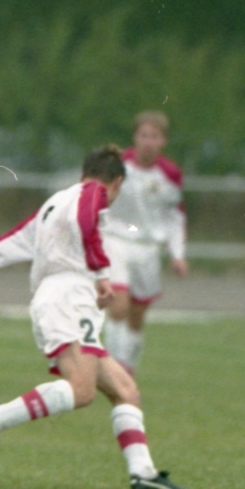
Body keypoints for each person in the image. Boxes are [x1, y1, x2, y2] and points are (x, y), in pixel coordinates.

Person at [0, 146, 187, 489]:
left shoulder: (52, 206)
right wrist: (102, 273)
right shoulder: (93, 194)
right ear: (117, 183)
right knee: (82, 390)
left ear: (82, 173)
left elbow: (3, 246)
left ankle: (143, 472)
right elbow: (88, 221)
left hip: (63, 298)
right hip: (68, 298)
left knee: (125, 390)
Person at [101, 111, 188, 373]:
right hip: (116, 239)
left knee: (137, 314)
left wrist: (177, 254)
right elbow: (99, 199)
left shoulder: (170, 174)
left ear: (163, 141)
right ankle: (113, 366)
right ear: (135, 137)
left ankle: (129, 364)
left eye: (154, 136)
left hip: (148, 248)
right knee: (118, 305)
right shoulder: (119, 166)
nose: (148, 141)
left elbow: (174, 217)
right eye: (144, 135)